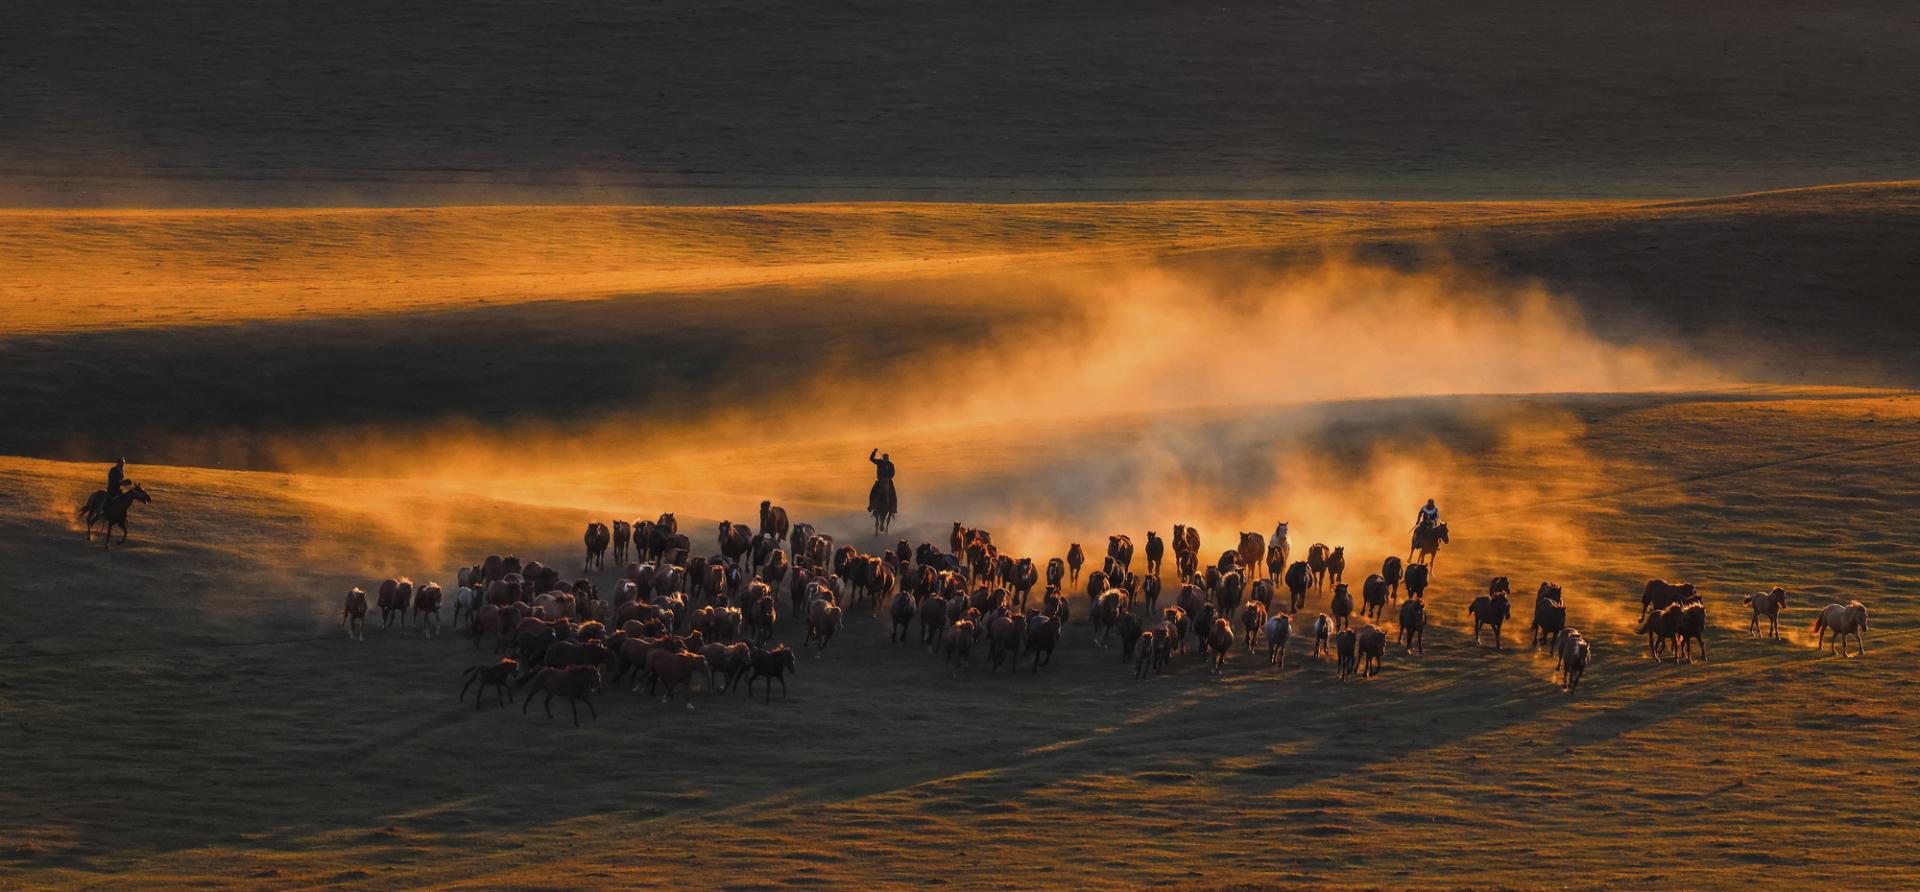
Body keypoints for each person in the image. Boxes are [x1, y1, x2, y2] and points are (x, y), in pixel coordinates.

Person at [868, 449, 898, 533]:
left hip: (888, 482)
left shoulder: (891, 464)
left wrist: (888, 478)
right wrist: (874, 452)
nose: (885, 459)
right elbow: (871, 459)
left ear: (888, 458)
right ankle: (871, 506)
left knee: (893, 495)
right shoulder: (879, 462)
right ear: (882, 458)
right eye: (884, 458)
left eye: (886, 458)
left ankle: (893, 508)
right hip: (880, 481)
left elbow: (893, 473)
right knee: (872, 492)